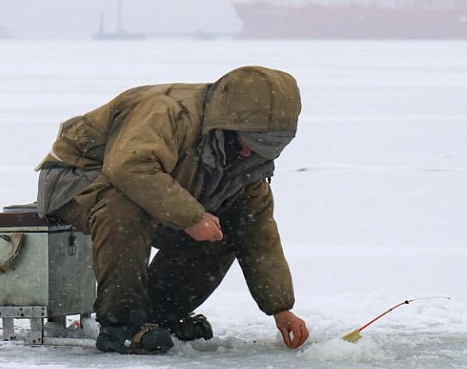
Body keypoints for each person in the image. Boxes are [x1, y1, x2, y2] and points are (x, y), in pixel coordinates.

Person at [35, 65, 309, 354]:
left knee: (226, 229)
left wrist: (280, 308)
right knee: (126, 208)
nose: (248, 153)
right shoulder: (167, 111)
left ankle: (157, 315)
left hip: (166, 185)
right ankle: (122, 326)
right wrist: (192, 217)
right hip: (78, 179)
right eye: (247, 142)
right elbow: (128, 168)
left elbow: (258, 232)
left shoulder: (247, 160)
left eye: (264, 147)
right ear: (228, 124)